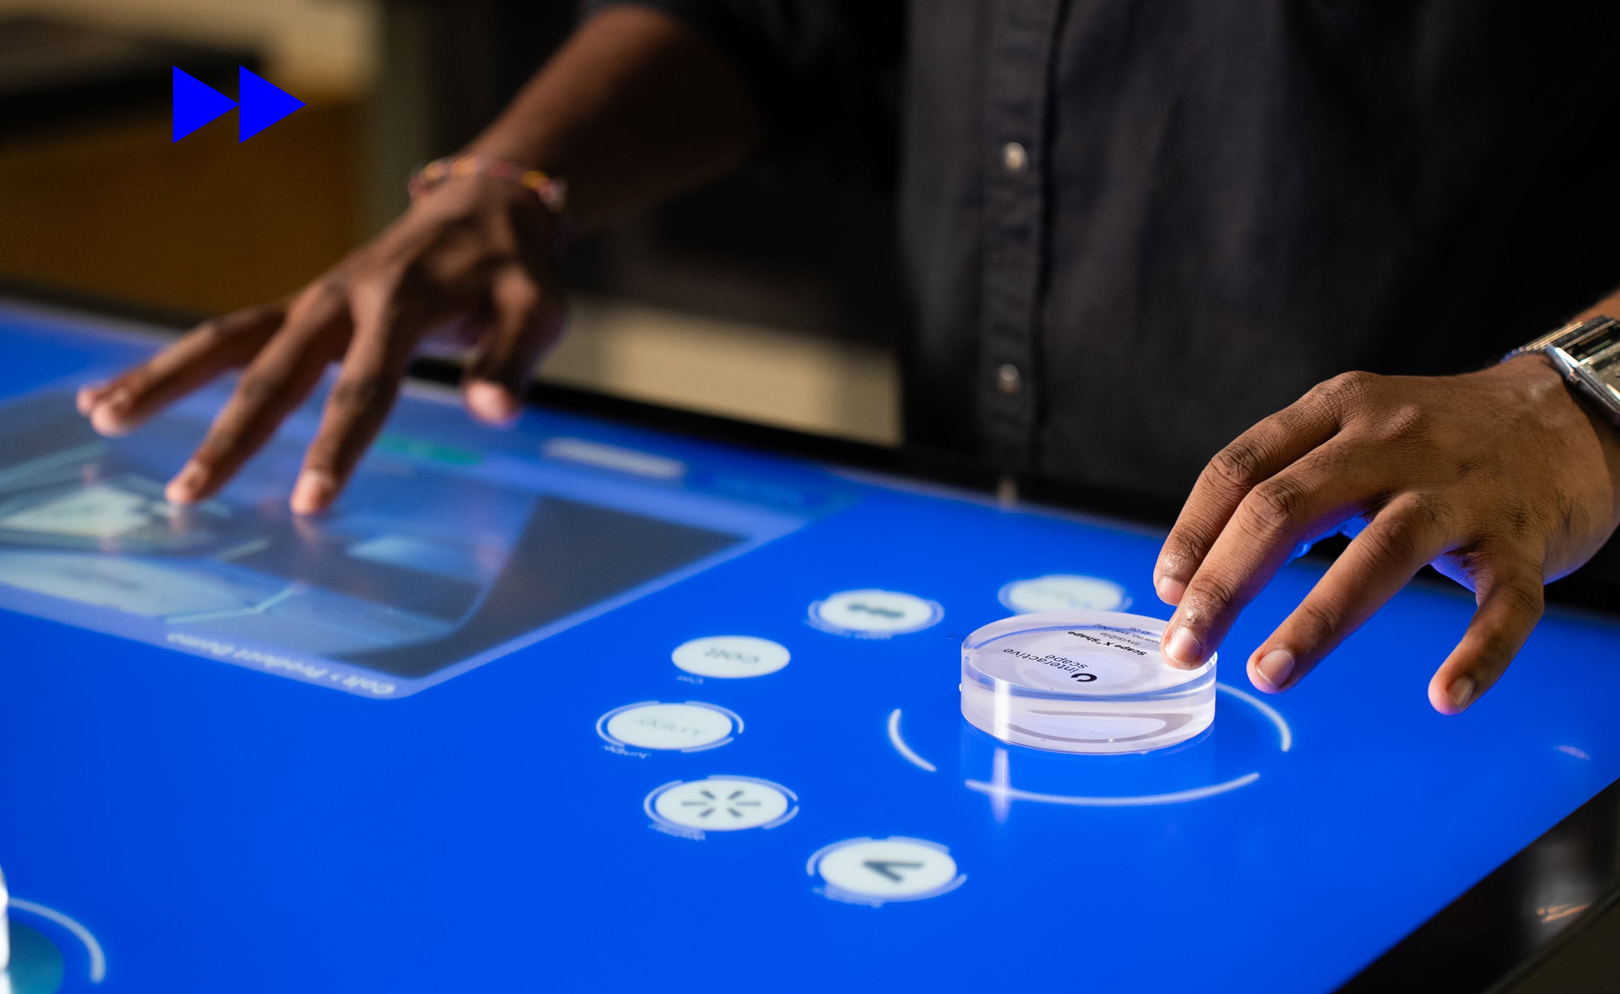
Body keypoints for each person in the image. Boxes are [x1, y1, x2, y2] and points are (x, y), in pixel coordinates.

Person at [74, 2, 1620, 716]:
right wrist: (513, 180)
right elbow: (784, 24)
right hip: (993, 593)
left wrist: (1578, 394)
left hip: (1484, 657)